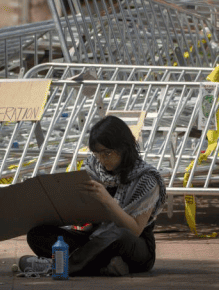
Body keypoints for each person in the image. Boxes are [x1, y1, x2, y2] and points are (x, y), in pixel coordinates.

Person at [17, 115, 167, 277]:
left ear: (124, 148)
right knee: (38, 234)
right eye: (97, 154)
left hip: (133, 247)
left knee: (118, 234)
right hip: (94, 238)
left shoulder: (147, 179)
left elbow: (135, 229)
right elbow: (85, 215)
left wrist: (108, 201)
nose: (102, 160)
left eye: (107, 153)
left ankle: (59, 266)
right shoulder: (94, 168)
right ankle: (105, 267)